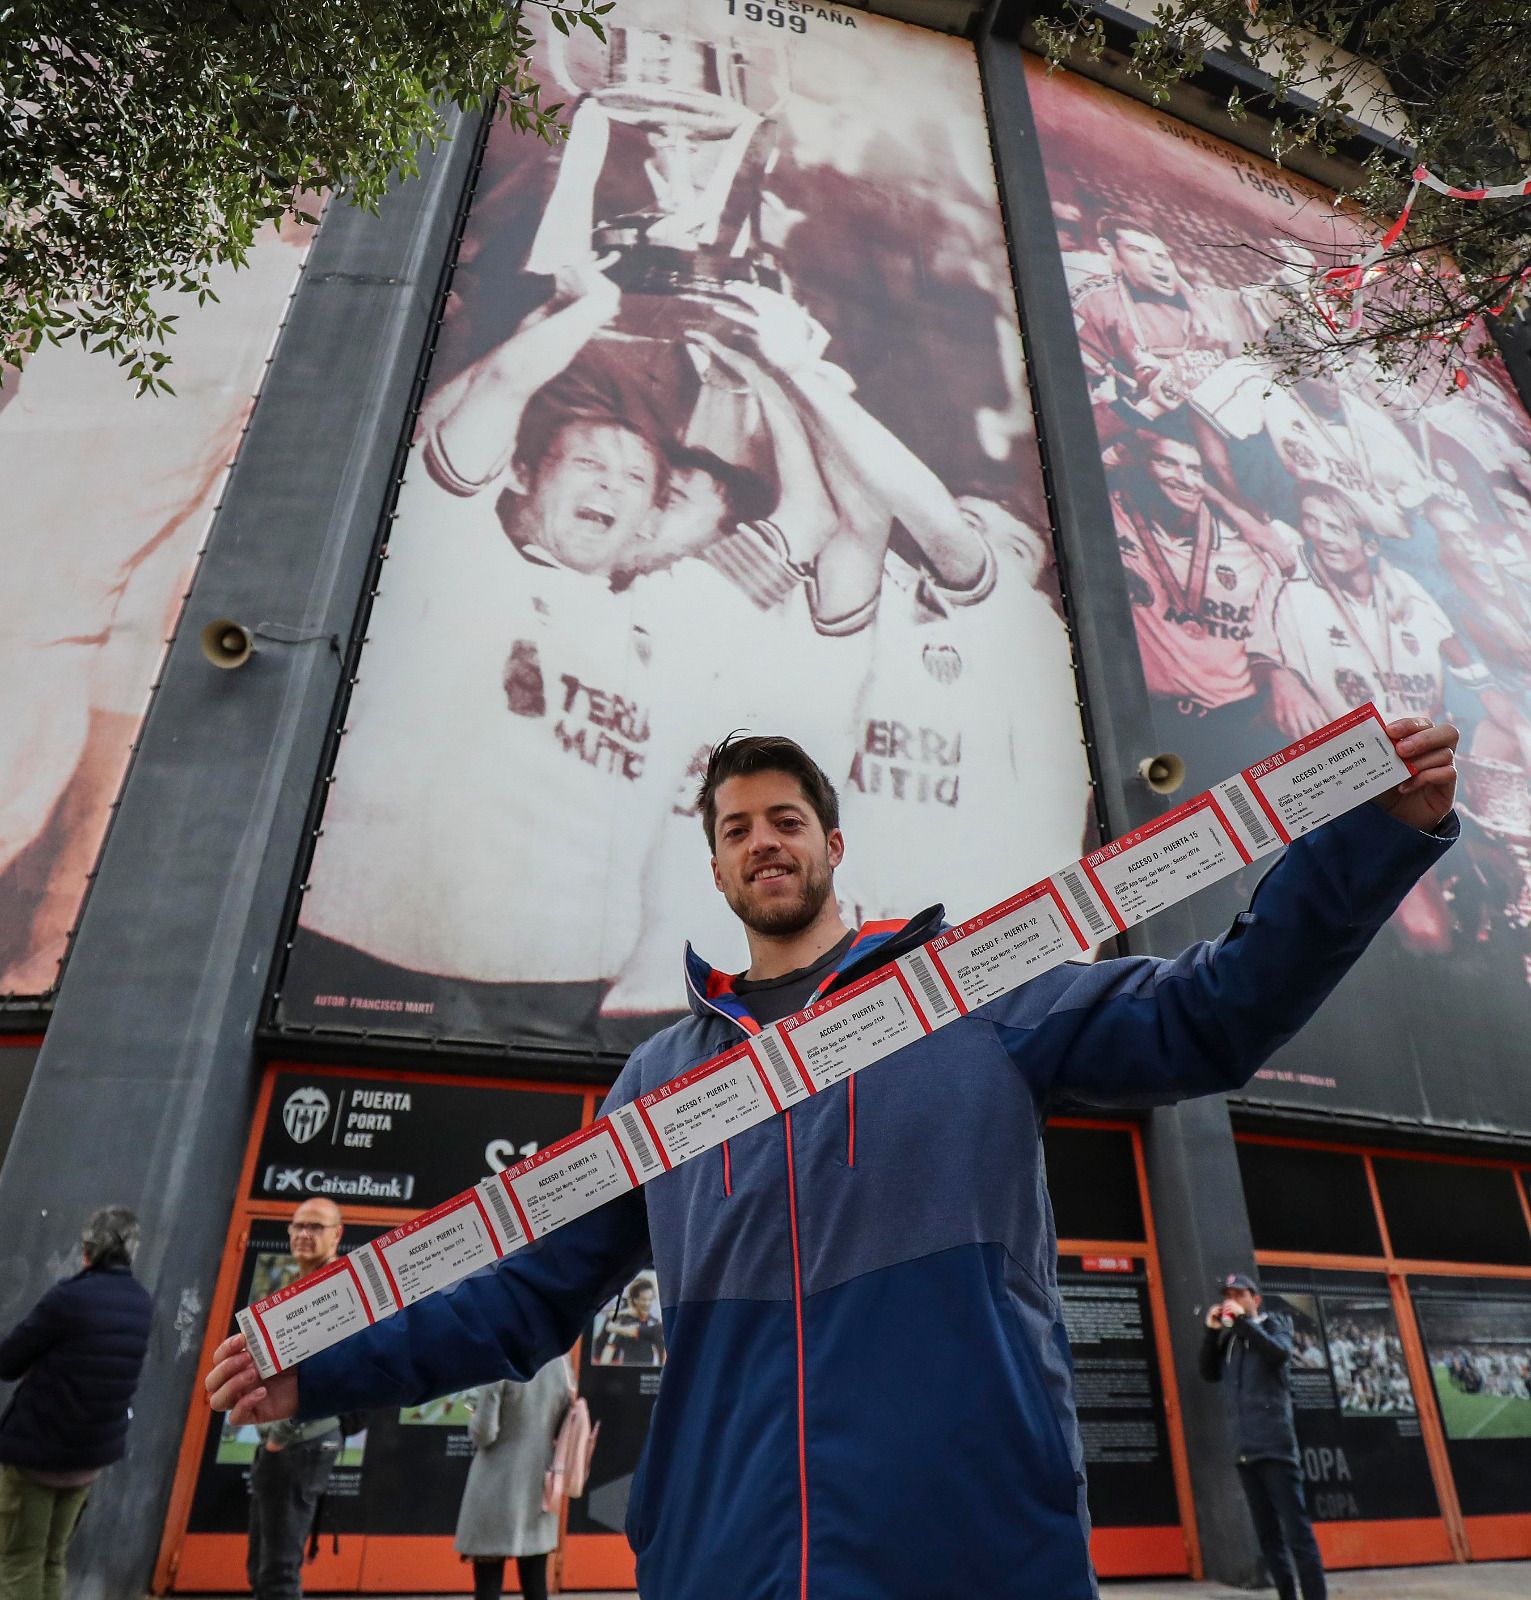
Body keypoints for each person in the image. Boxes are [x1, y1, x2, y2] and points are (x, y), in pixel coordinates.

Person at [209, 722, 1459, 1600]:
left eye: (788, 819)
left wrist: (1365, 837)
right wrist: (316, 1364)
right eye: (737, 826)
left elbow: (1212, 1012)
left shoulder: (975, 995)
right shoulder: (659, 1084)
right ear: (711, 864)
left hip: (971, 1553)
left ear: (833, 846)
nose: (764, 840)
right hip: (720, 1562)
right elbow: (523, 1295)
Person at [1109, 423, 1283, 782]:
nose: (1185, 479)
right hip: (1149, 720)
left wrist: (1219, 499)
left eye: (1195, 469)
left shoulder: (1246, 545)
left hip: (1231, 726)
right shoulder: (1119, 514)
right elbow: (1099, 451)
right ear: (1143, 464)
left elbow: (1287, 560)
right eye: (1167, 463)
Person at [0, 1206, 152, 1600]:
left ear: (88, 1249)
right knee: (53, 1558)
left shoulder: (69, 1298)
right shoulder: (140, 1303)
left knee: (18, 1560)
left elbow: (8, 1362)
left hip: (38, 1455)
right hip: (89, 1459)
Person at [1199, 1272, 1326, 1600]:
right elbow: (1207, 1372)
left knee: (1297, 1534)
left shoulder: (1275, 1323)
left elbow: (1278, 1353)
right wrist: (1211, 1333)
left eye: (1239, 1294)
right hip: (1244, 1448)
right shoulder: (1231, 1340)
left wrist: (1243, 1323)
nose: (1232, 1299)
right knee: (1268, 1537)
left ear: (1255, 1299)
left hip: (1275, 1446)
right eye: (1228, 1294)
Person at [245, 1199, 347, 1600]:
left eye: (316, 1227)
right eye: (298, 1226)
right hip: (284, 1444)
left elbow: (325, 1375)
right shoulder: (297, 1286)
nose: (304, 1234)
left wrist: (279, 1437)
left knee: (277, 1575)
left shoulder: (331, 1291)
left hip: (300, 1443)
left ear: (337, 1234)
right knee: (262, 1568)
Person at [454, 1356, 575, 1600]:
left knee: (488, 1581)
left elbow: (484, 1433)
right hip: (539, 1487)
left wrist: (472, 1412)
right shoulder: (559, 1362)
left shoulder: (501, 1361)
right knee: (536, 1585)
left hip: (496, 1486)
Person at [595, 1278, 666, 1367]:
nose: (647, 1303)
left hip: (648, 1372)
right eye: (644, 1299)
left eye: (650, 1299)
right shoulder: (625, 1321)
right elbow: (610, 1348)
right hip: (628, 1372)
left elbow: (661, 1352)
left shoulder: (655, 1323)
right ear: (635, 1300)